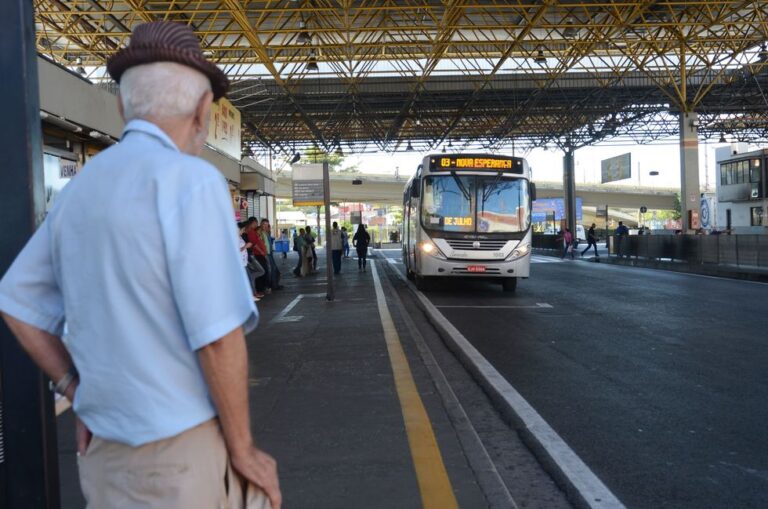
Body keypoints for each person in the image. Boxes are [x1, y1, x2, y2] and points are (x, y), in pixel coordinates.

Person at [0, 22, 280, 509]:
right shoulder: (191, 181)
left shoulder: (80, 190)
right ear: (201, 112)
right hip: (180, 456)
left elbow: (18, 301)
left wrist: (75, 388)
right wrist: (243, 448)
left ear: (122, 106)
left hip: (104, 456)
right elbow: (217, 337)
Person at [239, 221, 264, 301]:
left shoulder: (240, 237)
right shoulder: (235, 238)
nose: (243, 231)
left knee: (249, 278)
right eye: (242, 229)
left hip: (245, 261)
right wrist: (246, 246)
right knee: (249, 278)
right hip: (241, 263)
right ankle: (250, 295)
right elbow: (235, 250)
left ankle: (250, 294)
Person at [247, 217, 270, 295]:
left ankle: (260, 288)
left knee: (264, 271)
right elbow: (254, 244)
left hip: (261, 254)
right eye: (256, 223)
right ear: (253, 223)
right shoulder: (253, 232)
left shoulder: (255, 232)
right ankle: (258, 289)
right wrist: (261, 251)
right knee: (262, 271)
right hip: (257, 254)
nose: (257, 225)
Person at [261, 218, 283, 290]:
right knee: (271, 270)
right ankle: (273, 285)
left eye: (267, 225)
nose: (265, 226)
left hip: (269, 253)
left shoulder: (266, 233)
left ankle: (274, 284)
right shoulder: (261, 233)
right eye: (264, 224)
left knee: (274, 270)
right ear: (261, 224)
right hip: (266, 253)